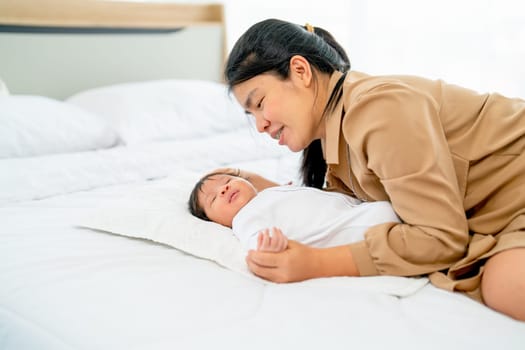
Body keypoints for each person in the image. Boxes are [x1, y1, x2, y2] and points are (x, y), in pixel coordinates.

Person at [223, 18, 525, 321]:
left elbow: (440, 238)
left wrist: (316, 262)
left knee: (505, 286)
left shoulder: (377, 109)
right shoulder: (336, 149)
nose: (260, 125)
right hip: (504, 214)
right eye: (251, 115)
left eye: (260, 103)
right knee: (504, 282)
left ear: (300, 71)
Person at [188, 170, 400, 252]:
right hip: (351, 229)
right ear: (216, 222)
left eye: (228, 180)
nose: (224, 188)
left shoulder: (267, 195)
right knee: (390, 215)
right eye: (214, 198)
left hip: (355, 210)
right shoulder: (244, 219)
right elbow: (254, 239)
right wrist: (267, 245)